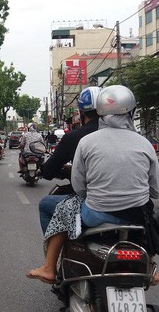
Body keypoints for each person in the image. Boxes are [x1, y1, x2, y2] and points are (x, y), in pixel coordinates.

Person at [27, 85, 159, 285]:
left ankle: (49, 267)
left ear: (99, 113)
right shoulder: (144, 143)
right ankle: (151, 268)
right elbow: (156, 190)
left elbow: (79, 187)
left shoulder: (87, 141)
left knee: (62, 207)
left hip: (96, 213)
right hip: (137, 217)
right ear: (132, 112)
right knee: (149, 214)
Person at [37, 86, 102, 234]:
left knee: (45, 204)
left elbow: (49, 172)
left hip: (95, 206)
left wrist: (68, 172)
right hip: (136, 211)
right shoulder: (131, 137)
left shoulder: (76, 138)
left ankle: (54, 252)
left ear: (80, 112)